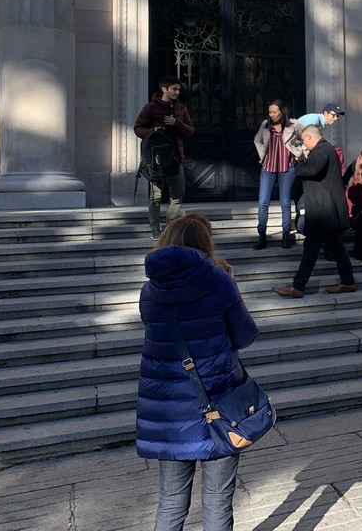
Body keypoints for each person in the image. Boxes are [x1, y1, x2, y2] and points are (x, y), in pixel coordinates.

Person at [136, 213, 258, 530]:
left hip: (168, 412)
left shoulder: (150, 291)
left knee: (171, 502)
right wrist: (232, 286)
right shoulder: (220, 282)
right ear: (206, 243)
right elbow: (245, 336)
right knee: (217, 501)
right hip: (217, 407)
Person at [272, 125, 355, 298]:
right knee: (335, 246)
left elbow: (311, 170)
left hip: (323, 210)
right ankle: (347, 281)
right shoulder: (324, 149)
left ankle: (298, 286)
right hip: (325, 209)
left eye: (304, 140)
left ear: (310, 137)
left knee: (311, 247)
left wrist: (298, 163)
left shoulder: (322, 149)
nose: (303, 144)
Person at [134, 76, 195, 241]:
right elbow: (138, 128)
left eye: (178, 89)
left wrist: (177, 123)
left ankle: (170, 227)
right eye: (174, 89)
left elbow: (190, 130)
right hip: (156, 160)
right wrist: (153, 131)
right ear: (164, 89)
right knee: (155, 196)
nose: (177, 92)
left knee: (177, 194)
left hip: (176, 158)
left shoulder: (181, 109)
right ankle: (155, 228)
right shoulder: (150, 108)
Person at [252, 100, 302, 250]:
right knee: (263, 202)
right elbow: (257, 140)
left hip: (286, 167)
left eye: (274, 112)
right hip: (268, 167)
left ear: (282, 111)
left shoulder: (293, 125)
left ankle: (285, 236)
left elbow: (307, 136)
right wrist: (262, 154)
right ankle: (262, 236)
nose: (271, 115)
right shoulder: (266, 125)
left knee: (285, 203)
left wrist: (298, 153)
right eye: (270, 112)